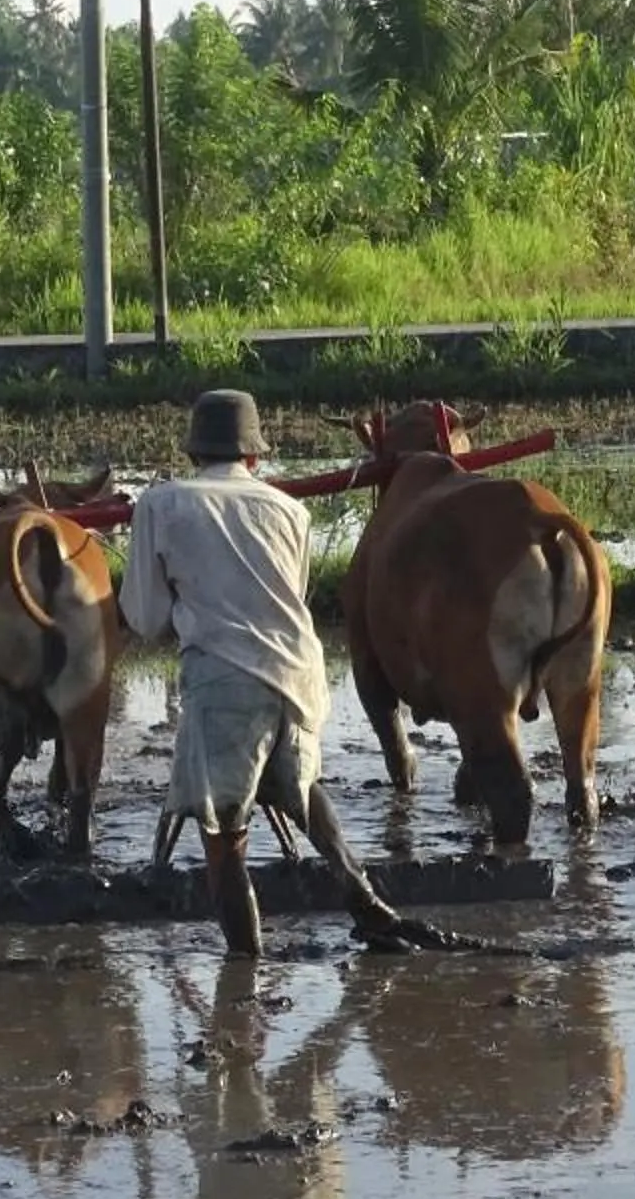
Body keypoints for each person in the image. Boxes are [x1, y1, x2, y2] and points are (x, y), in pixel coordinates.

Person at [119, 388, 431, 958]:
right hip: (299, 673)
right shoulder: (292, 510)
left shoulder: (162, 505)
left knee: (224, 839)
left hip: (224, 679)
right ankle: (370, 907)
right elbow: (293, 595)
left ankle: (245, 968)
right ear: (255, 458)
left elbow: (144, 617)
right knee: (302, 790)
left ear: (193, 454)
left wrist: (187, 609)